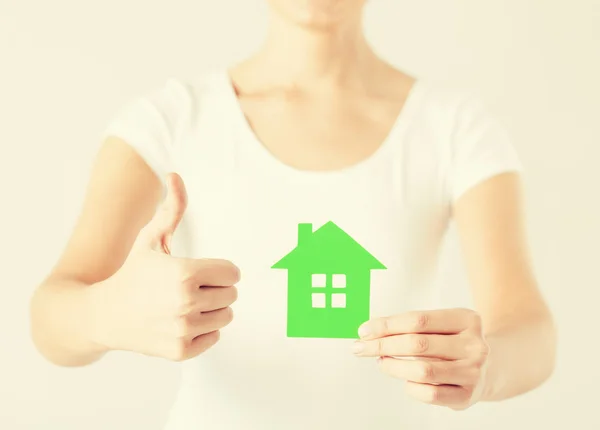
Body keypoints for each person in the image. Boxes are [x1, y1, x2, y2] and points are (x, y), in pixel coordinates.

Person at [29, 1, 557, 429]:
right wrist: (109, 313)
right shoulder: (169, 120)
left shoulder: (455, 127)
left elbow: (530, 330)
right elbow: (51, 320)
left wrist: (484, 368)